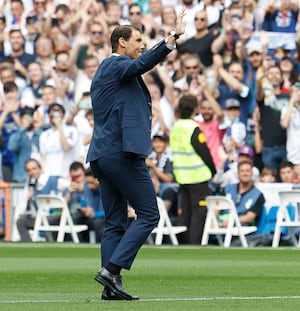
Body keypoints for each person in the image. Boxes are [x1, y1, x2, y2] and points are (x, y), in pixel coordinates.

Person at [86, 12, 186, 301]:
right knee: (150, 214)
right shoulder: (116, 64)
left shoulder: (110, 70)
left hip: (103, 154)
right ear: (121, 43)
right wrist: (170, 39)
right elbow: (143, 64)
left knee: (116, 221)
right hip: (121, 153)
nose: (142, 44)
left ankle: (110, 287)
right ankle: (112, 270)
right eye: (138, 39)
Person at [169, 94, 216, 245]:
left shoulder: (175, 126)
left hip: (182, 175)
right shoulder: (193, 127)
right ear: (195, 108)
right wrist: (213, 170)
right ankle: (194, 244)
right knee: (199, 212)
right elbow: (204, 152)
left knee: (185, 211)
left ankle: (181, 243)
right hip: (197, 175)